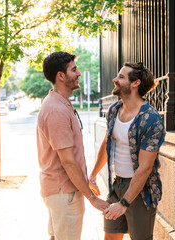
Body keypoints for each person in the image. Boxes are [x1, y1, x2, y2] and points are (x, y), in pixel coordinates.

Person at [37, 51, 109, 240]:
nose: (78, 74)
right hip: (64, 192)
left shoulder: (60, 103)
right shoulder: (56, 110)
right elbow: (68, 162)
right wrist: (92, 198)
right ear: (61, 76)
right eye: (74, 70)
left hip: (61, 191)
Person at [89, 62, 165, 240]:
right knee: (110, 237)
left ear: (135, 83)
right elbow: (107, 143)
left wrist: (124, 203)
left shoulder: (151, 119)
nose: (115, 80)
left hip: (140, 190)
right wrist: (93, 174)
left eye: (121, 77)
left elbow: (145, 168)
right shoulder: (114, 110)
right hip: (117, 185)